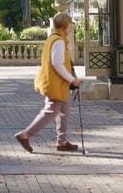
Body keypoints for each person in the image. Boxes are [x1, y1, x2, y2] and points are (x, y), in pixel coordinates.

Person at [14, 12, 82, 153]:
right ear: (63, 27)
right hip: (55, 84)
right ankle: (25, 135)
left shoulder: (53, 38)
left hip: (56, 84)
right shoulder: (58, 41)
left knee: (63, 111)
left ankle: (62, 142)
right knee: (50, 111)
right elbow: (57, 64)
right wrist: (72, 80)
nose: (71, 30)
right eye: (70, 27)